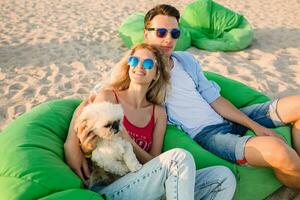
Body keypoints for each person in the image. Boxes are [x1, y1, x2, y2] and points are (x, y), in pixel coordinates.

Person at [142, 4, 300, 189]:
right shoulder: (141, 70)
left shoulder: (185, 60)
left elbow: (214, 99)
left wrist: (254, 126)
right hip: (209, 135)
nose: (168, 39)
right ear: (147, 33)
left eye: (174, 33)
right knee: (281, 154)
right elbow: (112, 91)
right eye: (161, 32)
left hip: (227, 116)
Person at [64, 43, 236, 200]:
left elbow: (153, 161)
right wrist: (72, 144)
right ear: (128, 64)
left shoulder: (158, 113)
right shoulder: (109, 97)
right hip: (111, 186)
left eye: (147, 64)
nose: (139, 66)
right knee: (179, 158)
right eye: (134, 60)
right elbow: (84, 112)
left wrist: (129, 141)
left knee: (223, 176)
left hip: (145, 181)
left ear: (156, 74)